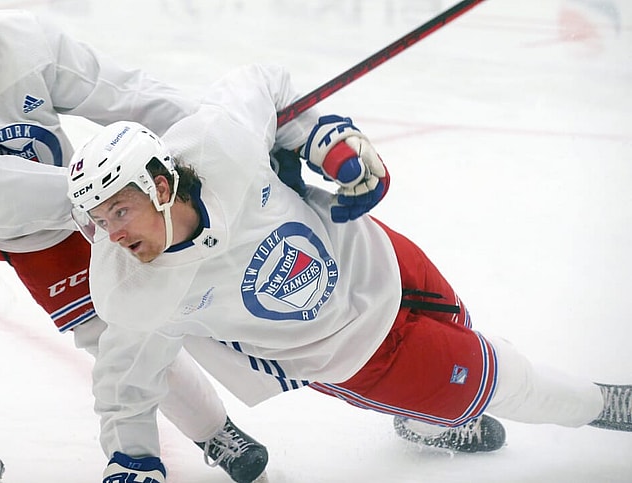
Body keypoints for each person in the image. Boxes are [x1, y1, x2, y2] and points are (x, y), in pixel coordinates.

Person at [65, 63, 632, 481]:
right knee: (503, 377)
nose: (112, 234)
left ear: (161, 186)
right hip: (354, 355)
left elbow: (265, 83)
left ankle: (429, 422)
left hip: (377, 254)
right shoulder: (131, 288)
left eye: (119, 210)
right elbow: (125, 375)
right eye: (98, 218)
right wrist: (131, 455)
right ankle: (606, 405)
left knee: (464, 330)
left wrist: (326, 139)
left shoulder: (217, 143)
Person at [0, 2, 272, 482]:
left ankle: (213, 430)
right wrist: (105, 192)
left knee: (124, 322)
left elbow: (126, 94)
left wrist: (216, 135)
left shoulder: (23, 42)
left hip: (53, 215)